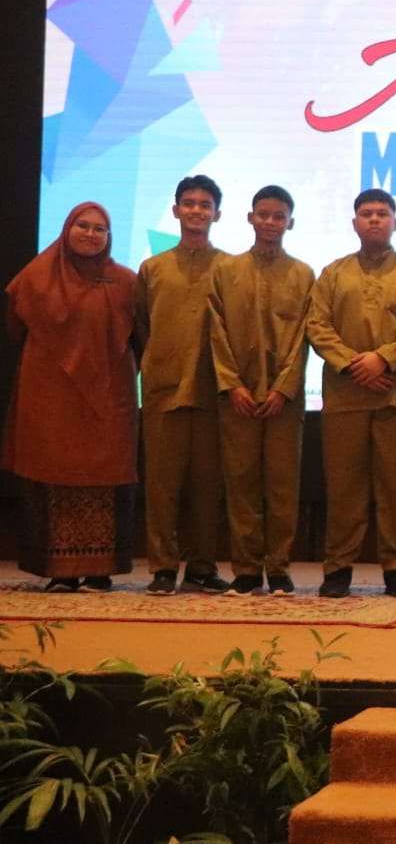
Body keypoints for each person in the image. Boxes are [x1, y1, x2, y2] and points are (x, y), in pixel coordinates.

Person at [305, 189, 396, 598]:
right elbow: (317, 326)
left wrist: (383, 359)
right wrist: (353, 364)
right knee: (344, 488)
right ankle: (337, 568)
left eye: (382, 213)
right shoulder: (333, 273)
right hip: (346, 396)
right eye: (366, 213)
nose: (375, 219)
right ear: (354, 223)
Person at [3, 202, 138, 591]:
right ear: (67, 229)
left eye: (100, 229)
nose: (91, 234)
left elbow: (142, 335)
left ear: (109, 237)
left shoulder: (126, 282)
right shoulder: (35, 277)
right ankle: (60, 571)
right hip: (50, 395)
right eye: (83, 226)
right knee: (53, 472)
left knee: (105, 475)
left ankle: (100, 569)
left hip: (109, 397)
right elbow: (14, 327)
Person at [207, 186, 315, 596]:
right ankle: (248, 568)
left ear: (291, 222)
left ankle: (279, 567)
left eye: (279, 216)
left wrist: (284, 388)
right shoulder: (226, 271)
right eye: (263, 214)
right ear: (250, 218)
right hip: (237, 397)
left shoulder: (303, 274)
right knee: (242, 484)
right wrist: (231, 384)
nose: (270, 222)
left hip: (283, 401)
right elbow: (216, 331)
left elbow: (305, 337)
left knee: (282, 486)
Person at [136, 175, 228, 595]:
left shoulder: (230, 268)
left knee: (207, 486)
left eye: (205, 204)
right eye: (189, 203)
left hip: (213, 391)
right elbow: (141, 325)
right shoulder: (152, 268)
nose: (196, 210)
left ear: (217, 214)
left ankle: (202, 566)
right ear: (175, 210)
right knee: (162, 485)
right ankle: (162, 567)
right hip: (163, 389)